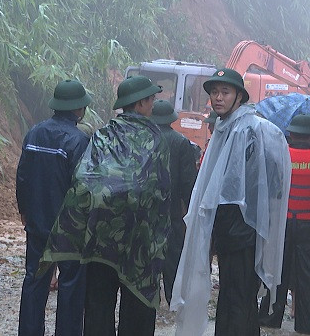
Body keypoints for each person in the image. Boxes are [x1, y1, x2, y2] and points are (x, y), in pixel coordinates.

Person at [42, 75, 171, 335]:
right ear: (141, 104)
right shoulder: (156, 140)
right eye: (152, 99)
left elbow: (83, 180)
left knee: (99, 303)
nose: (153, 104)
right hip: (139, 238)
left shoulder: (101, 136)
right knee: (137, 306)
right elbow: (161, 190)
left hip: (101, 237)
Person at [171, 68, 290, 336]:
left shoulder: (250, 130)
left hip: (243, 232)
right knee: (233, 296)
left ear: (239, 96)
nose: (218, 98)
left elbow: (269, 182)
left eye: (225, 92)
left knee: (238, 297)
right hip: (228, 231)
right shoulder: (228, 128)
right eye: (214, 92)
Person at [16, 80, 93, 336]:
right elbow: (83, 187)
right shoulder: (79, 140)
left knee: (34, 280)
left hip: (37, 223)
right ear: (79, 110)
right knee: (70, 284)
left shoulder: (35, 132)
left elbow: (23, 175)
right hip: (68, 227)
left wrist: (24, 210)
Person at [258, 115, 310, 334]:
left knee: (277, 272)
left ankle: (269, 318)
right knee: (306, 276)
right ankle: (306, 324)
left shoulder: (281, 155)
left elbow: (269, 185)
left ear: (290, 134)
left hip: (283, 224)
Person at [150, 99, 201, 305]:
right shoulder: (182, 142)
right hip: (173, 210)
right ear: (171, 118)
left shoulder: (146, 138)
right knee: (173, 255)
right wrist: (189, 208)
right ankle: (172, 297)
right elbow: (189, 180)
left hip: (149, 208)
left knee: (150, 254)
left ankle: (151, 296)